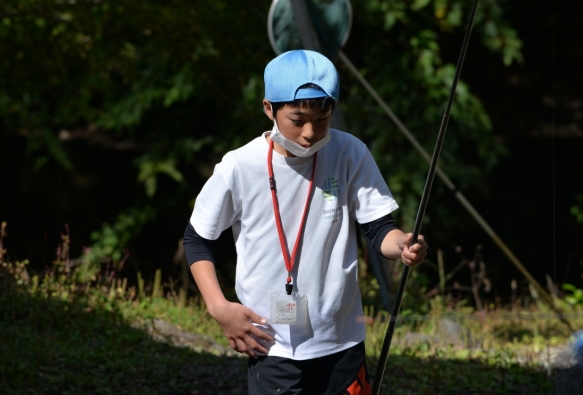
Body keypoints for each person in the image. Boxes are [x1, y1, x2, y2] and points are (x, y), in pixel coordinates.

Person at [183, 49, 428, 395]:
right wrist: (218, 307)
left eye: (322, 119)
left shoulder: (349, 153)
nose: (310, 133)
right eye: (297, 120)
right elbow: (197, 239)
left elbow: (377, 229)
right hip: (272, 344)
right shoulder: (239, 167)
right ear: (269, 108)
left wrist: (401, 243)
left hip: (342, 341)